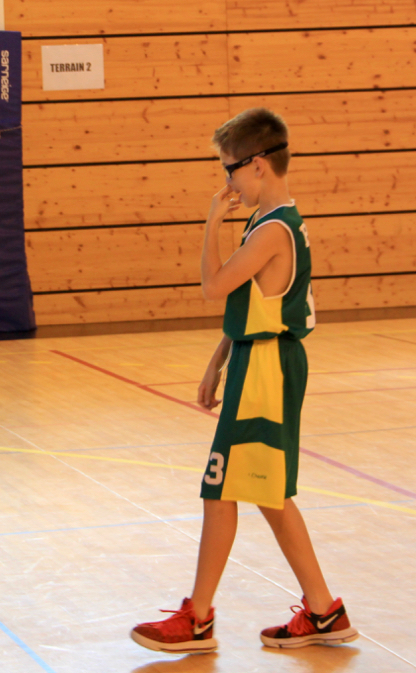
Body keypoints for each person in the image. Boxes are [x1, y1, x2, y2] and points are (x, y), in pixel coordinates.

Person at [130, 108, 358, 654]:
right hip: (259, 360)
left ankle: (198, 619)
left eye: (229, 169)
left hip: (266, 372)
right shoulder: (273, 221)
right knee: (266, 495)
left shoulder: (273, 230)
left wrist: (211, 222)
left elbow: (213, 286)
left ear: (258, 164)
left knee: (222, 487)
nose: (227, 183)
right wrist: (218, 359)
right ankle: (323, 611)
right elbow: (255, 306)